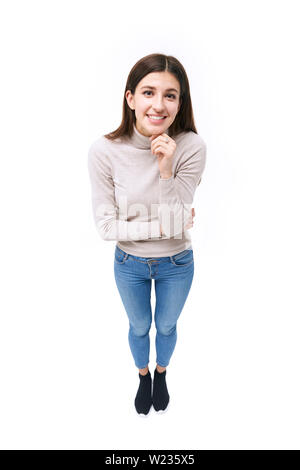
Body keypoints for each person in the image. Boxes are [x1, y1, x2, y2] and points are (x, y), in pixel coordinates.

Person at [87, 53, 207, 416]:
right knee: (140, 327)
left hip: (176, 262)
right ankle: (143, 375)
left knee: (166, 325)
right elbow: (107, 227)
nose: (158, 104)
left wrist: (166, 168)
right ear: (130, 98)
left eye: (170, 95)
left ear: (180, 103)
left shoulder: (191, 147)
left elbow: (177, 218)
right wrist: (163, 224)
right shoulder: (104, 151)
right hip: (129, 262)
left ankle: (161, 372)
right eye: (148, 92)